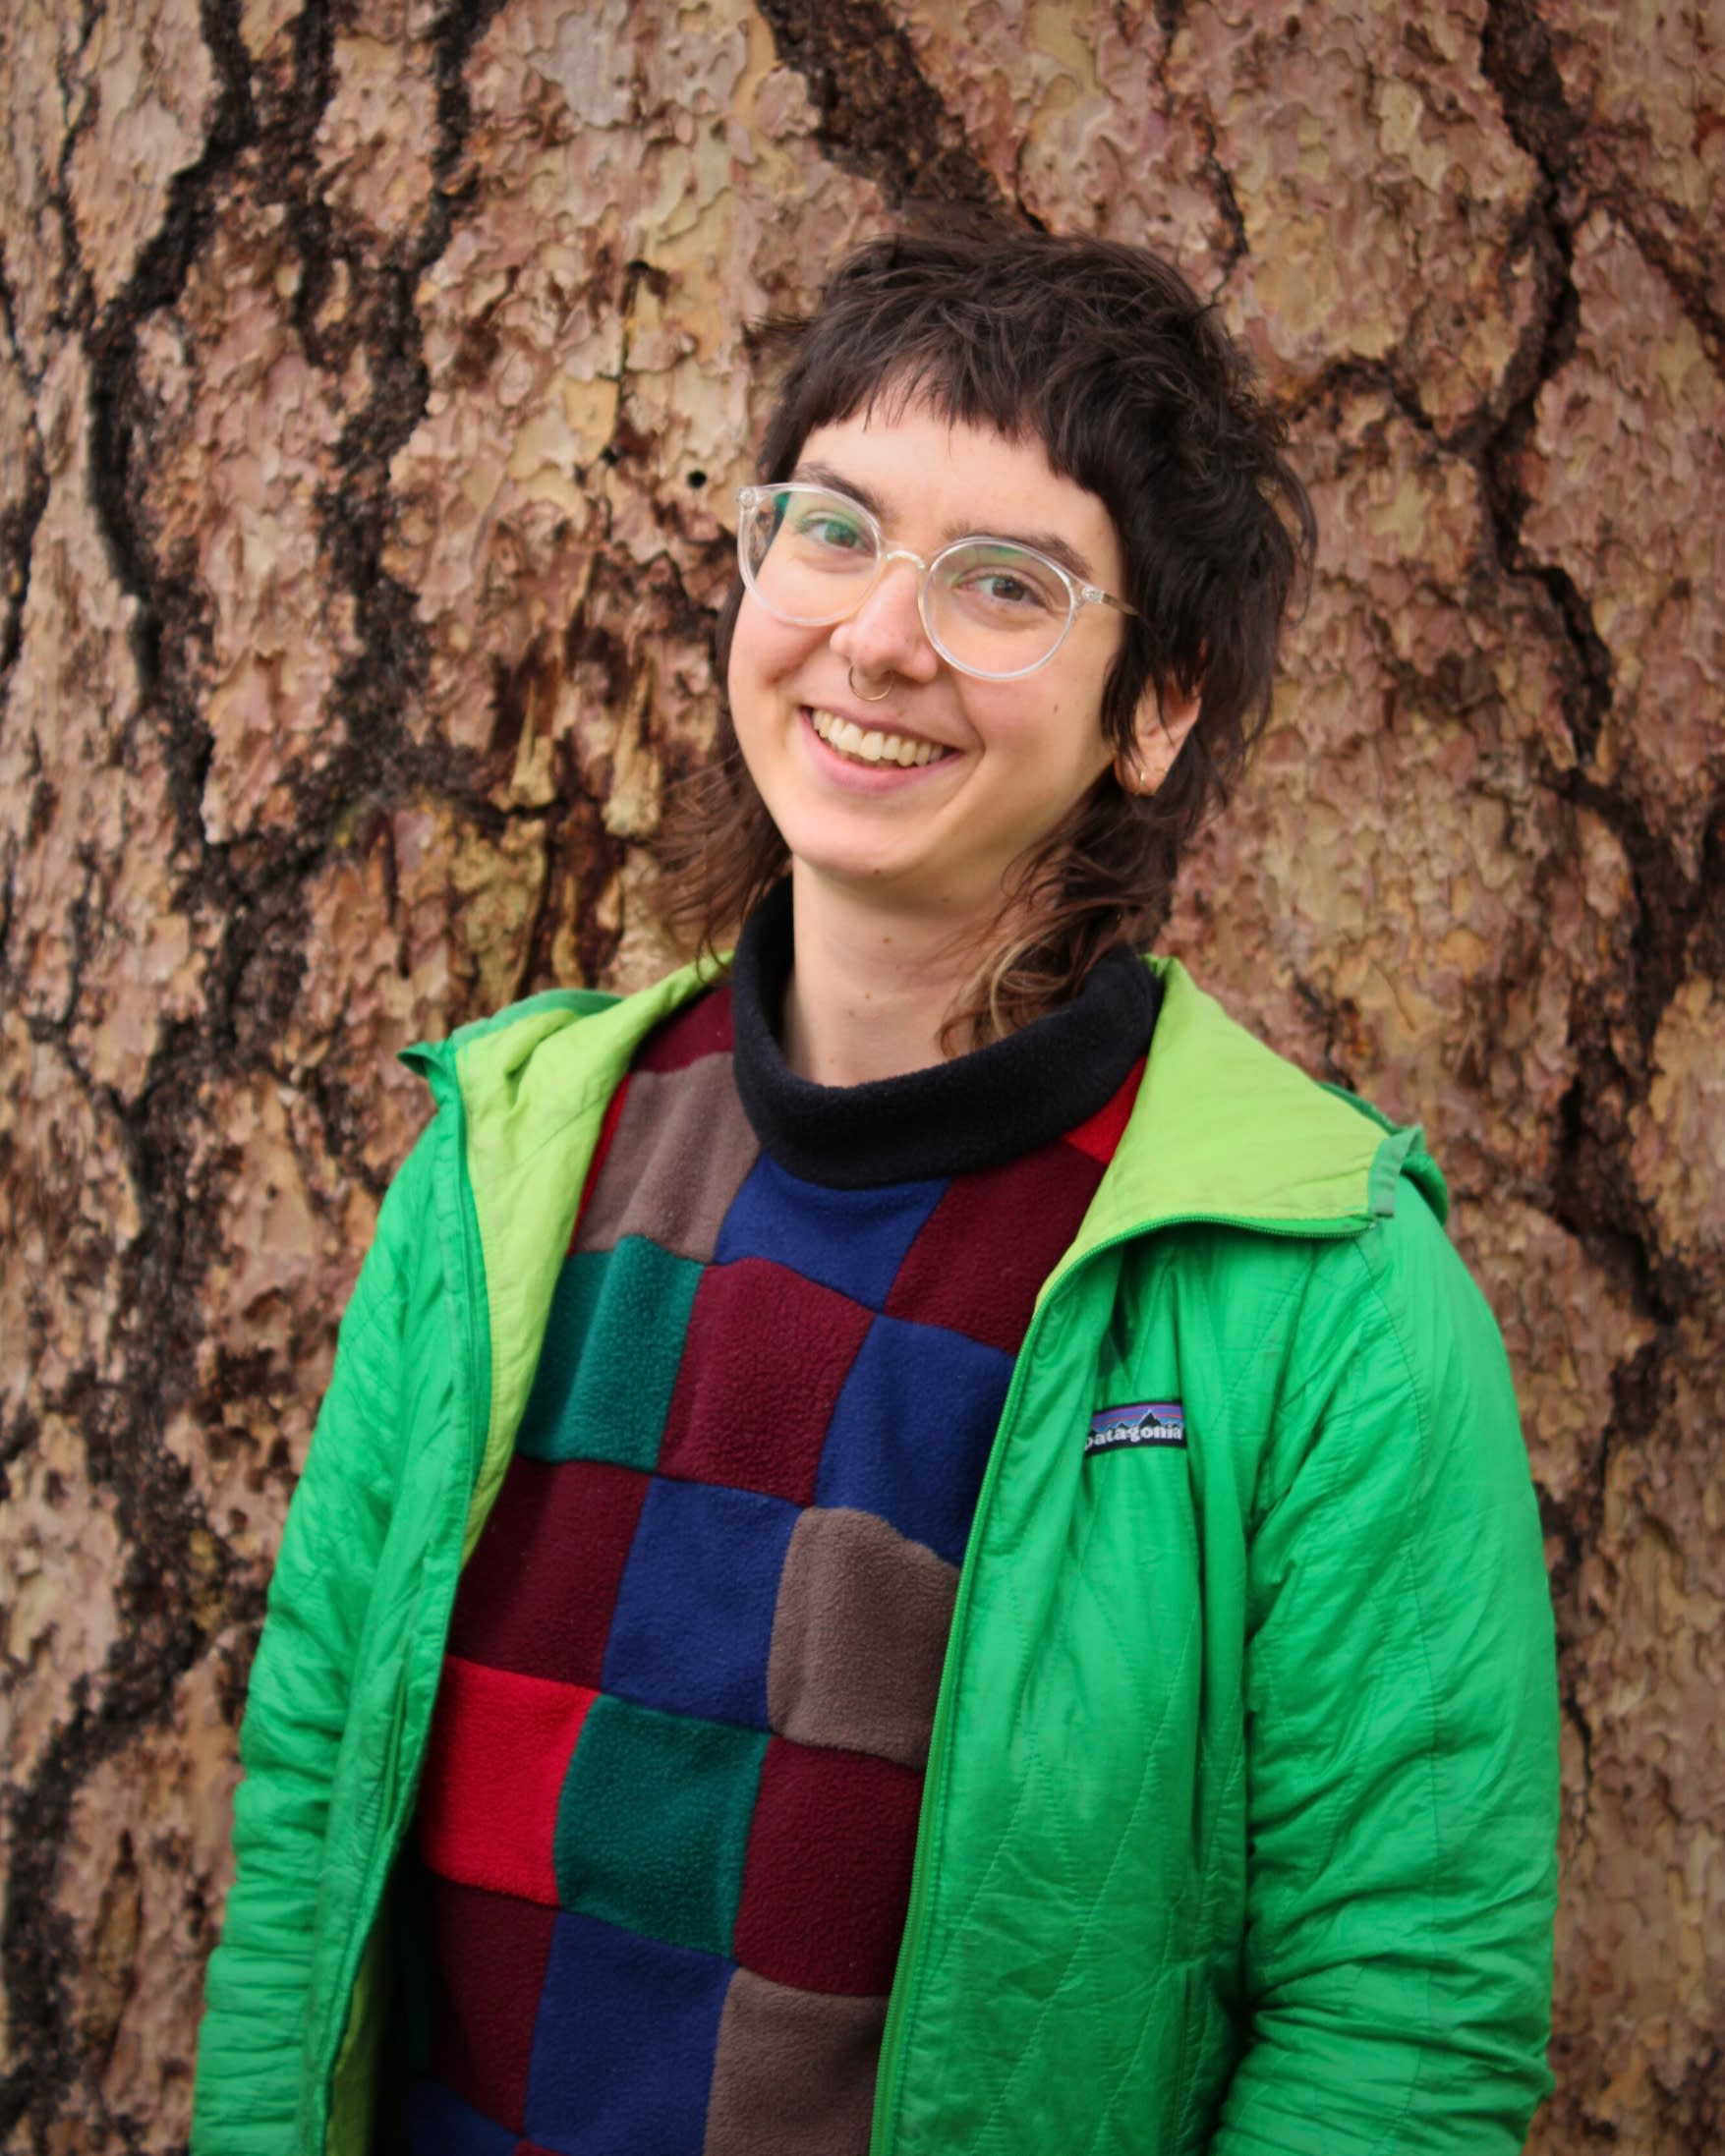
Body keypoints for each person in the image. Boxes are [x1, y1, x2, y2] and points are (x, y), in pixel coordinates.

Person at [192, 227, 1559, 2156]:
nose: (880, 633)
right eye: (830, 529)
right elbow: (309, 1811)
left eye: (1003, 581)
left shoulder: (1317, 1286)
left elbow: (1404, 2010)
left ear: (1150, 706)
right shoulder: (503, 1165)